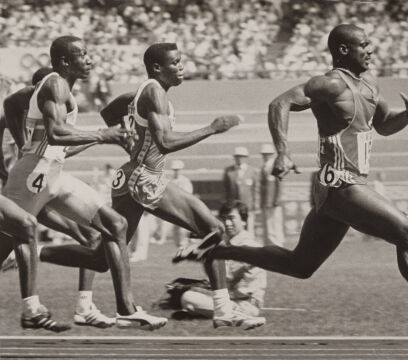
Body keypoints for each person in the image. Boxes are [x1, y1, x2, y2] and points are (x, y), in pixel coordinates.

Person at [175, 24, 408, 342]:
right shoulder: (329, 84)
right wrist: (282, 153)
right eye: (363, 45)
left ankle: (220, 252)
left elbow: (384, 126)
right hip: (341, 183)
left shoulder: (370, 86)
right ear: (343, 50)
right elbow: (278, 104)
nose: (371, 49)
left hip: (344, 187)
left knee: (301, 265)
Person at [41, 42, 264, 329]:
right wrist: (213, 127)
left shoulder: (145, 92)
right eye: (176, 62)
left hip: (133, 176)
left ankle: (36, 252)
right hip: (145, 178)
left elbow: (110, 112)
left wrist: (130, 140)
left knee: (101, 257)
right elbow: (165, 143)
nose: (182, 67)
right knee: (214, 229)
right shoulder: (154, 92)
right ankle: (223, 310)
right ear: (158, 67)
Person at [1, 36, 167, 331]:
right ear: (65, 61)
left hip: (53, 174)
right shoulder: (54, 84)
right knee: (11, 239)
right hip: (32, 175)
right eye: (83, 54)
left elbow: (14, 105)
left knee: (114, 225)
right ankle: (31, 310)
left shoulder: (61, 88)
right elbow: (54, 134)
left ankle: (125, 309)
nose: (90, 59)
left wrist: (23, 140)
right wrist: (102, 135)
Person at [0, 67, 115, 328]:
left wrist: (97, 139)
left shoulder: (37, 120)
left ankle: (84, 306)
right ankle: (31, 308)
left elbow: (58, 152)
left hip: (41, 186)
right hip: (18, 192)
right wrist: (13, 166)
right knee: (17, 237)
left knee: (93, 236)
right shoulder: (17, 118)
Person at [180, 201, 267, 324]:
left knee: (188, 297)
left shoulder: (247, 246)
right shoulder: (230, 242)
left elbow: (225, 277)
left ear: (244, 221)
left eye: (231, 218)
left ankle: (234, 314)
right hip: (235, 299)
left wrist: (202, 254)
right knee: (189, 294)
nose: (227, 223)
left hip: (245, 304)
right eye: (224, 219)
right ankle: (197, 310)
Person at [223, 146, 258, 237]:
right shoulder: (228, 171)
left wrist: (255, 204)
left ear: (246, 158)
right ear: (234, 157)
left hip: (248, 206)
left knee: (249, 228)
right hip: (234, 207)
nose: (240, 159)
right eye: (238, 156)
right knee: (236, 228)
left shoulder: (252, 171)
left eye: (242, 156)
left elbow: (256, 189)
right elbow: (226, 189)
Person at [259, 144, 284, 246]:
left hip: (273, 202)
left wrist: (277, 200)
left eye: (268, 154)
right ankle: (272, 243)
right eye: (264, 154)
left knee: (276, 222)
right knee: (269, 223)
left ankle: (278, 243)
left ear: (272, 154)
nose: (265, 156)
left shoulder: (277, 166)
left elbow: (280, 184)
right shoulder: (264, 167)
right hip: (266, 201)